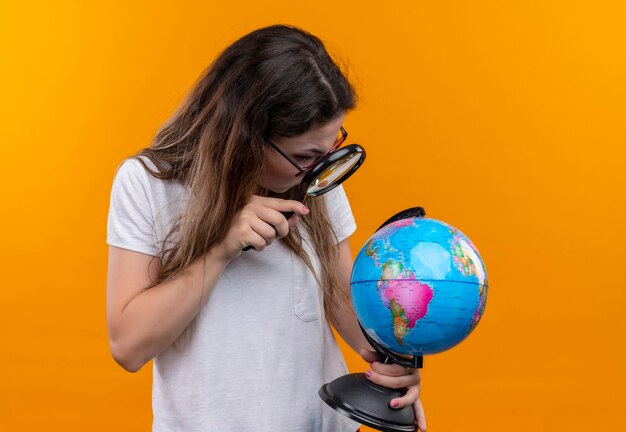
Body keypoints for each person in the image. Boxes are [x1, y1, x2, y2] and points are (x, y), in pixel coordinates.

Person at [106, 24, 426, 432]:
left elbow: (344, 302)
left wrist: (392, 369)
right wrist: (222, 248)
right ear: (245, 136)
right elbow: (129, 346)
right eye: (305, 156)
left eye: (329, 150)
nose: (319, 169)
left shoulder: (314, 181)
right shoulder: (149, 184)